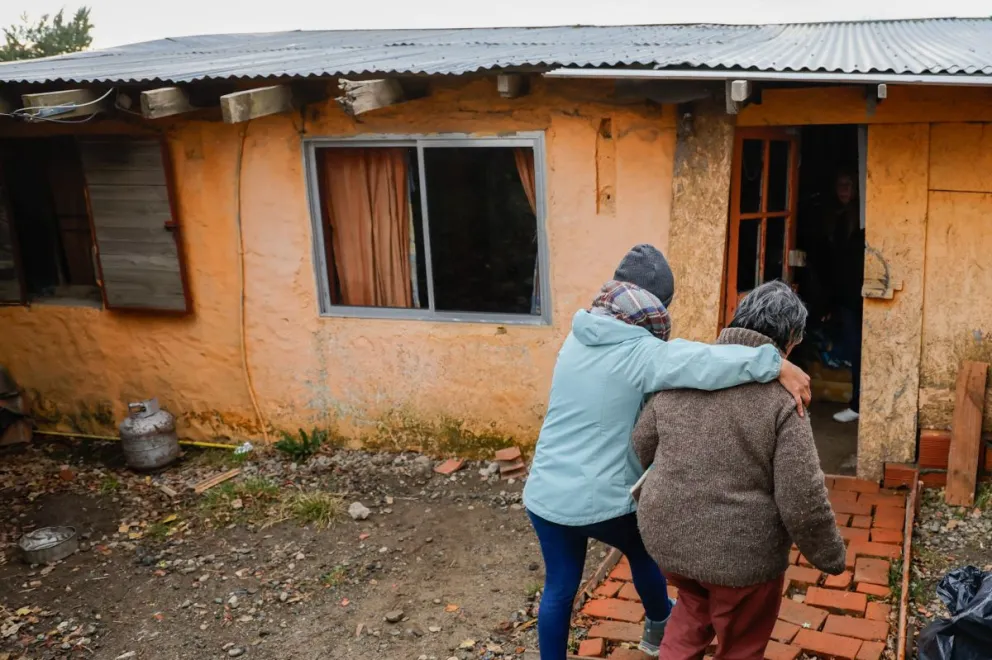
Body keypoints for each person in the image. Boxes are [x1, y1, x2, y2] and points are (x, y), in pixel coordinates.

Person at [522, 245, 812, 660]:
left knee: (559, 588)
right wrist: (774, 363)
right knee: (645, 546)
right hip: (600, 501)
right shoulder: (644, 353)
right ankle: (659, 624)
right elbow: (707, 361)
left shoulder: (577, 337)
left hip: (545, 494)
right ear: (657, 307)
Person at [632, 280, 846, 660]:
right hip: (741, 556)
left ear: (737, 319)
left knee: (692, 606)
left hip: (668, 536)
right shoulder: (786, 400)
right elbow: (802, 499)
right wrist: (829, 557)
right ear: (791, 342)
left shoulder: (687, 372)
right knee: (741, 642)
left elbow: (641, 446)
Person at [815, 170, 865, 423]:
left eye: (848, 184)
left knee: (865, 350)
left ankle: (861, 403)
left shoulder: (864, 218)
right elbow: (830, 261)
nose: (843, 189)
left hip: (863, 293)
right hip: (845, 297)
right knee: (855, 349)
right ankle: (857, 403)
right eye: (840, 184)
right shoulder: (832, 218)